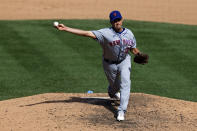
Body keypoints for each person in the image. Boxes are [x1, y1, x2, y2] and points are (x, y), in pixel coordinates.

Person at [55, 10, 144, 121]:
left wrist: (138, 54)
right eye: (114, 21)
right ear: (111, 22)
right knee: (115, 86)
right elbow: (86, 33)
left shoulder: (129, 33)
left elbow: (132, 48)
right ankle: (112, 91)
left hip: (124, 61)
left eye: (118, 20)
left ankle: (121, 111)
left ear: (122, 20)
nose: (117, 22)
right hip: (109, 64)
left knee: (126, 82)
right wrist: (66, 28)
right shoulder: (105, 33)